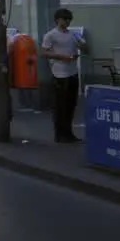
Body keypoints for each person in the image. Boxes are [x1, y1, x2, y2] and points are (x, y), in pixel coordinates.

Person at [41, 8, 85, 143]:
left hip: (72, 72)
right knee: (60, 105)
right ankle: (59, 134)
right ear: (57, 20)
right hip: (59, 73)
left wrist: (81, 47)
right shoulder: (51, 35)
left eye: (68, 20)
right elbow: (44, 53)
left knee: (71, 104)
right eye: (64, 19)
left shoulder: (73, 34)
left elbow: (84, 47)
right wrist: (61, 56)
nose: (66, 22)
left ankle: (68, 132)